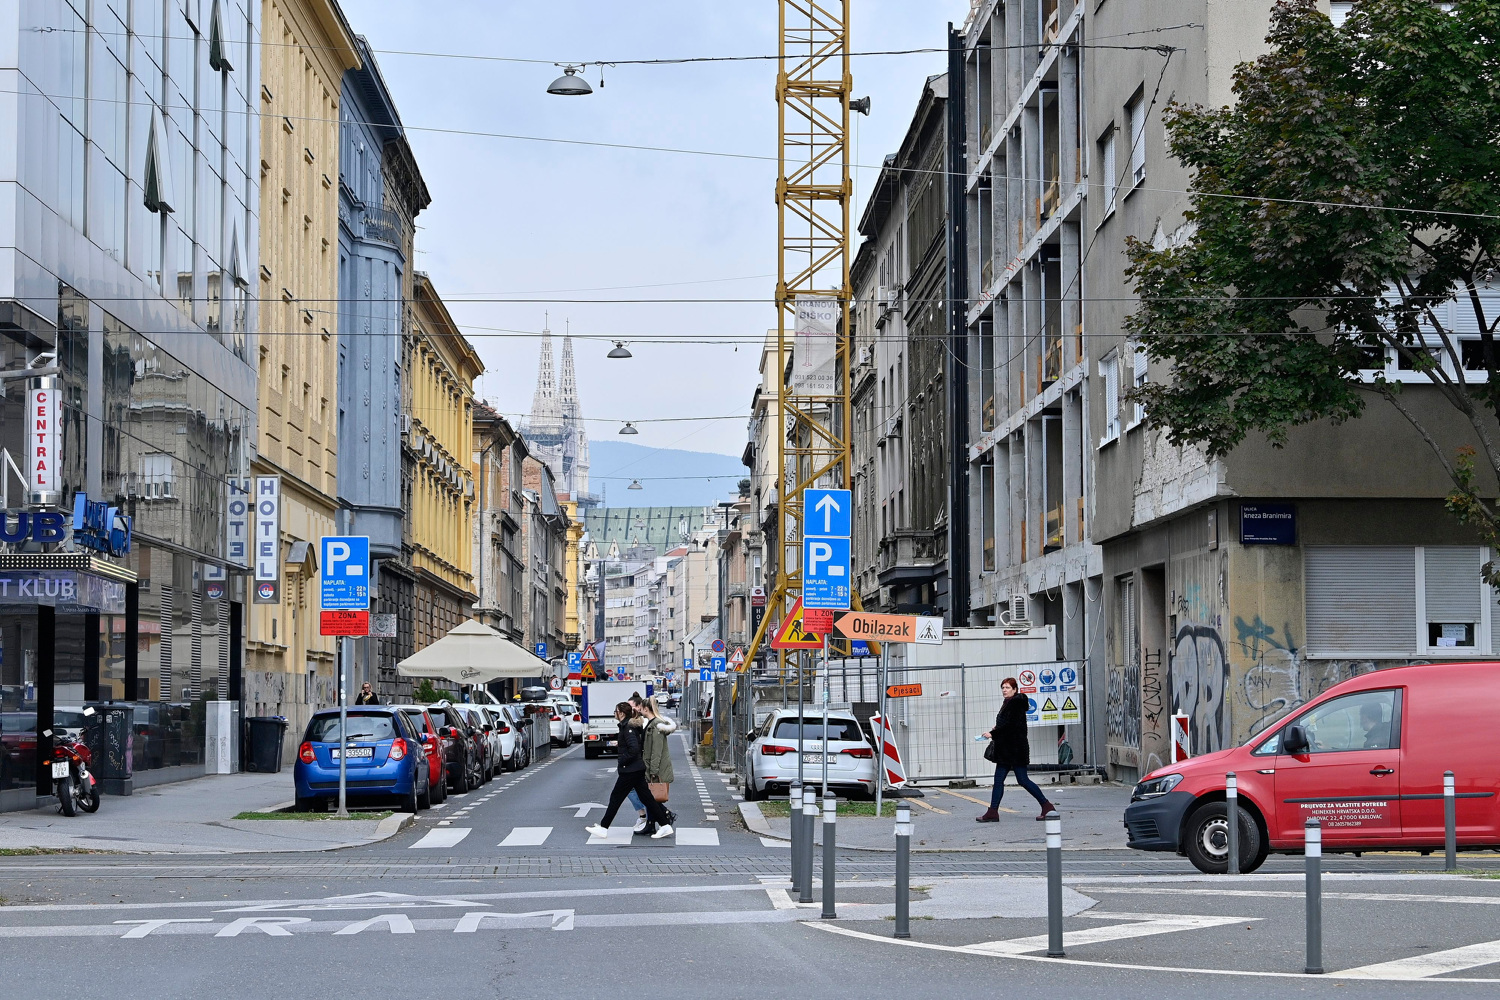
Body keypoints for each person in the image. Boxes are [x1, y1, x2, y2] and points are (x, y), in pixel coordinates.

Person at [586, 703, 673, 840]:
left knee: (616, 798)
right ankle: (665, 825)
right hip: (635, 769)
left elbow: (634, 749)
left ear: (621, 713)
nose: (614, 713)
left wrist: (622, 760)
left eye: (615, 711)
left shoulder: (628, 728)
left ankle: (603, 828)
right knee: (647, 798)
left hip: (630, 770)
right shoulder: (627, 726)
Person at [976, 677, 1057, 822]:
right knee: (999, 780)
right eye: (1003, 687)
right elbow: (1008, 725)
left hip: (1015, 749)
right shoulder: (1009, 703)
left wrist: (993, 734)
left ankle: (1047, 806)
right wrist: (997, 728)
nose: (1004, 690)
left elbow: (1011, 727)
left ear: (1014, 690)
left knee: (1022, 780)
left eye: (1007, 687)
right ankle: (993, 811)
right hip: (1008, 750)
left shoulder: (1016, 704)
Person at [633, 694, 678, 834]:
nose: (639, 710)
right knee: (649, 797)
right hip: (650, 766)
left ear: (646, 709)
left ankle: (664, 816)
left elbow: (656, 751)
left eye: (641, 708)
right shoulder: (651, 724)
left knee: (651, 797)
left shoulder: (656, 726)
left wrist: (653, 771)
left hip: (656, 769)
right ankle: (652, 823)